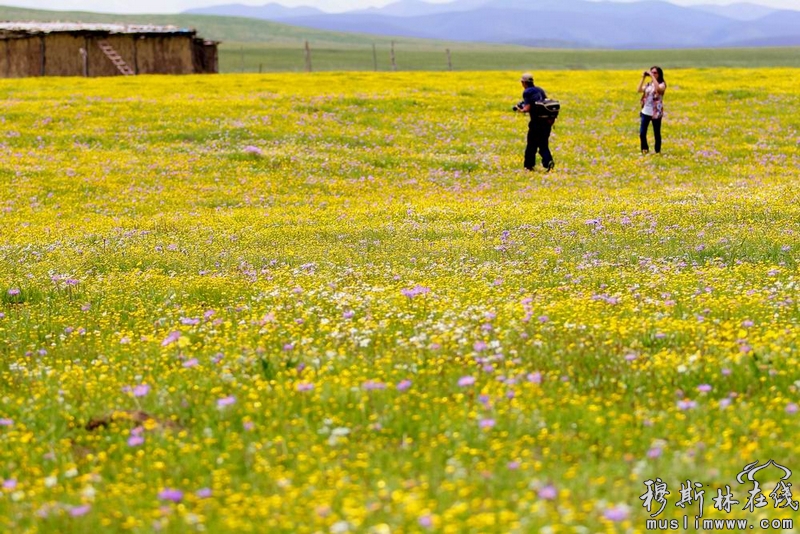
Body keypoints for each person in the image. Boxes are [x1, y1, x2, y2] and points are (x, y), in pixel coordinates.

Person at [515, 73, 554, 172]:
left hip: (536, 123)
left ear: (523, 82)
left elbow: (527, 108)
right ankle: (548, 161)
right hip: (547, 123)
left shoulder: (527, 92)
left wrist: (520, 110)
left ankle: (528, 166)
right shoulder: (539, 90)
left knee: (531, 145)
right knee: (543, 144)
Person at [637, 66, 666, 154]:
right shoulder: (649, 85)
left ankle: (657, 151)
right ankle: (644, 150)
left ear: (659, 74)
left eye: (655, 73)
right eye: (651, 72)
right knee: (642, 133)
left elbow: (658, 89)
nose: (652, 74)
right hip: (645, 111)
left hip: (656, 112)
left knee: (656, 133)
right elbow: (638, 90)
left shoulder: (662, 84)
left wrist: (652, 77)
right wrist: (643, 77)